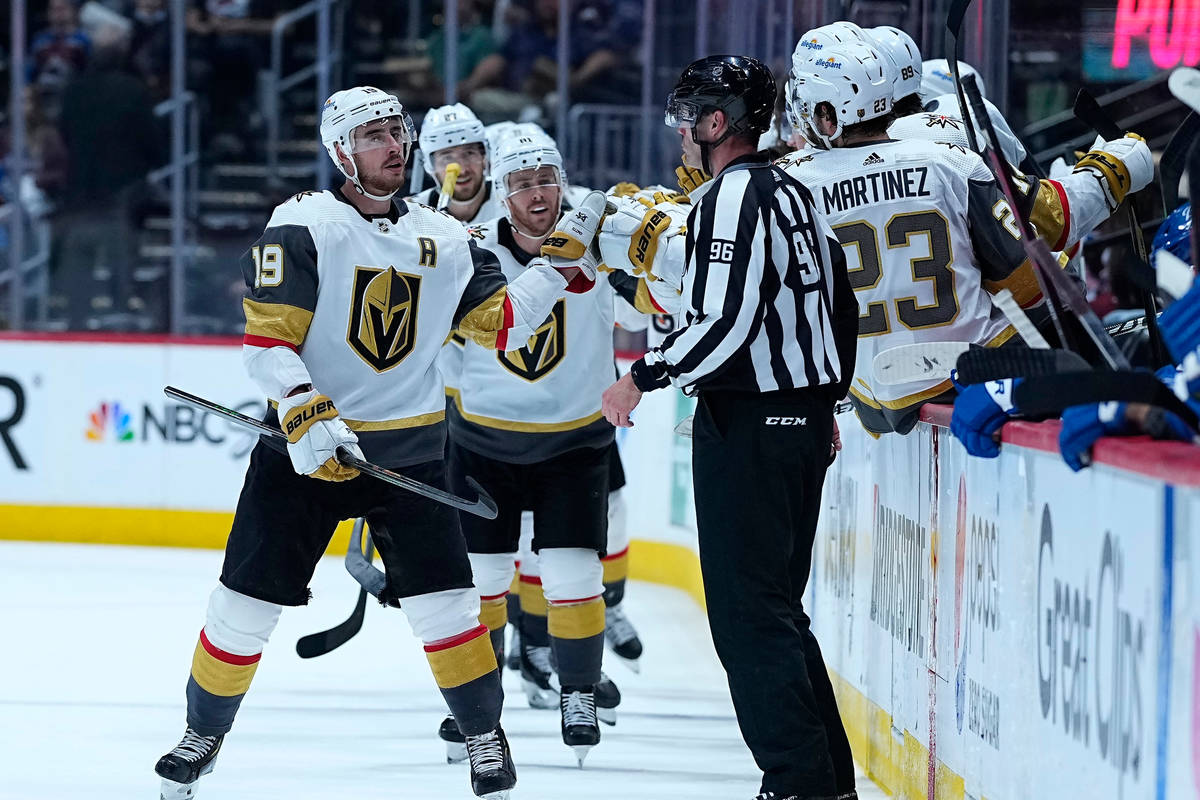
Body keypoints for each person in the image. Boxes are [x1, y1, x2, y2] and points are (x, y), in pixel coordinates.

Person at [152, 85, 601, 800]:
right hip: (302, 453)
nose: (394, 145)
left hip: (410, 452)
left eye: (397, 131)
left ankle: (484, 735)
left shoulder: (448, 239)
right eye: (373, 136)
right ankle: (202, 731)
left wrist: (556, 266)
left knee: (449, 611)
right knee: (242, 606)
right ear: (340, 153)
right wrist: (302, 407)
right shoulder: (303, 224)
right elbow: (267, 342)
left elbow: (504, 325)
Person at [601, 55, 860, 800]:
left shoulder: (732, 197)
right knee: (777, 610)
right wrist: (822, 400)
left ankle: (798, 783)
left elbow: (725, 323)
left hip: (751, 421)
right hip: (795, 418)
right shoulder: (799, 192)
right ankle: (823, 780)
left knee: (749, 619)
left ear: (718, 123)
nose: (681, 133)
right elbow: (840, 304)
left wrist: (641, 377)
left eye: (689, 117)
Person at [442, 130, 622, 766]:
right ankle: (477, 702)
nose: (537, 192)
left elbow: (648, 308)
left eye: (546, 178)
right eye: (522, 183)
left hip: (574, 442)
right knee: (481, 582)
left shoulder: (601, 241)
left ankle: (578, 692)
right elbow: (440, 346)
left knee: (574, 572)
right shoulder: (466, 255)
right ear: (503, 194)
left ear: (562, 181)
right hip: (482, 443)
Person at [414, 102, 505, 223]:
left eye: (469, 153)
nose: (462, 170)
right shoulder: (413, 214)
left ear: (485, 156)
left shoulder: (511, 203)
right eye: (447, 158)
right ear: (430, 165)